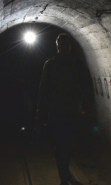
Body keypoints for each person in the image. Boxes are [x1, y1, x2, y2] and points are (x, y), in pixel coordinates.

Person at [36, 33, 86, 185]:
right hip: (56, 110)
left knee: (69, 144)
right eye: (62, 44)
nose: (65, 47)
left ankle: (66, 175)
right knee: (60, 144)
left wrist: (83, 105)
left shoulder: (76, 63)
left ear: (70, 46)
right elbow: (43, 89)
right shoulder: (50, 64)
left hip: (72, 110)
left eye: (67, 45)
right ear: (57, 46)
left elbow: (82, 86)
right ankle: (64, 178)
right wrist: (41, 111)